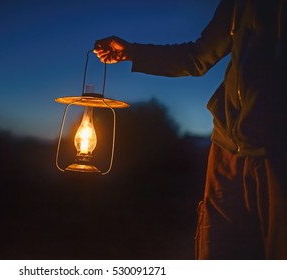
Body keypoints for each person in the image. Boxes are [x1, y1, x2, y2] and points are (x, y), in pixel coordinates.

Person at [94, 0, 287, 259]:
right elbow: (197, 57)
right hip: (226, 146)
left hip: (276, 152)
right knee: (218, 252)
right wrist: (131, 52)